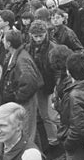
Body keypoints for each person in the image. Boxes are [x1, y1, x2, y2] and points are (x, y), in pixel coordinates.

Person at [0, 30, 42, 142]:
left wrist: (16, 96)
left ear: (8, 43)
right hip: (22, 100)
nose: (2, 42)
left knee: (26, 132)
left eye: (4, 40)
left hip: (25, 101)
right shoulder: (15, 55)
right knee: (29, 130)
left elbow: (30, 82)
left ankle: (29, 156)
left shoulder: (22, 59)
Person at [25, 20, 60, 148]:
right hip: (38, 87)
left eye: (41, 35)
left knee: (53, 115)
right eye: (36, 36)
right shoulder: (28, 48)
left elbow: (58, 69)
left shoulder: (53, 48)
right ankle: (53, 140)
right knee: (45, 115)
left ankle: (65, 133)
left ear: (46, 33)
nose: (38, 39)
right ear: (31, 35)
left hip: (51, 86)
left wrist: (57, 86)